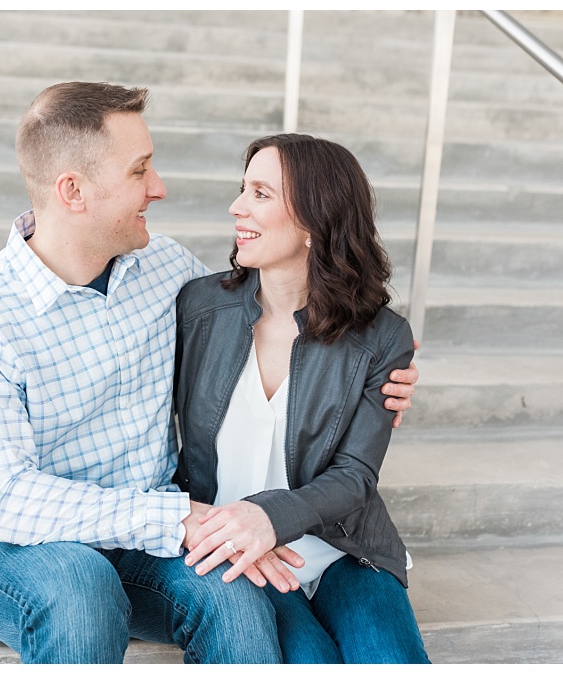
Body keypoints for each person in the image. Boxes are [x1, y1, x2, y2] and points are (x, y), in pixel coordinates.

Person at [0, 81, 419, 664]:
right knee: (80, 587)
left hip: (155, 537)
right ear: (73, 191)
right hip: (29, 546)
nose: (158, 189)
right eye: (140, 171)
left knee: (236, 599)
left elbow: (278, 305)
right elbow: (2, 497)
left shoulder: (168, 274)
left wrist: (369, 377)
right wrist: (180, 518)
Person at [173, 133, 431, 663]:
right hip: (237, 548)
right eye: (243, 189)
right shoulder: (198, 309)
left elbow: (355, 476)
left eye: (261, 194)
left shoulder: (382, 337)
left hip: (343, 547)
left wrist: (268, 516)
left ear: (316, 220)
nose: (236, 207)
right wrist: (243, 526)